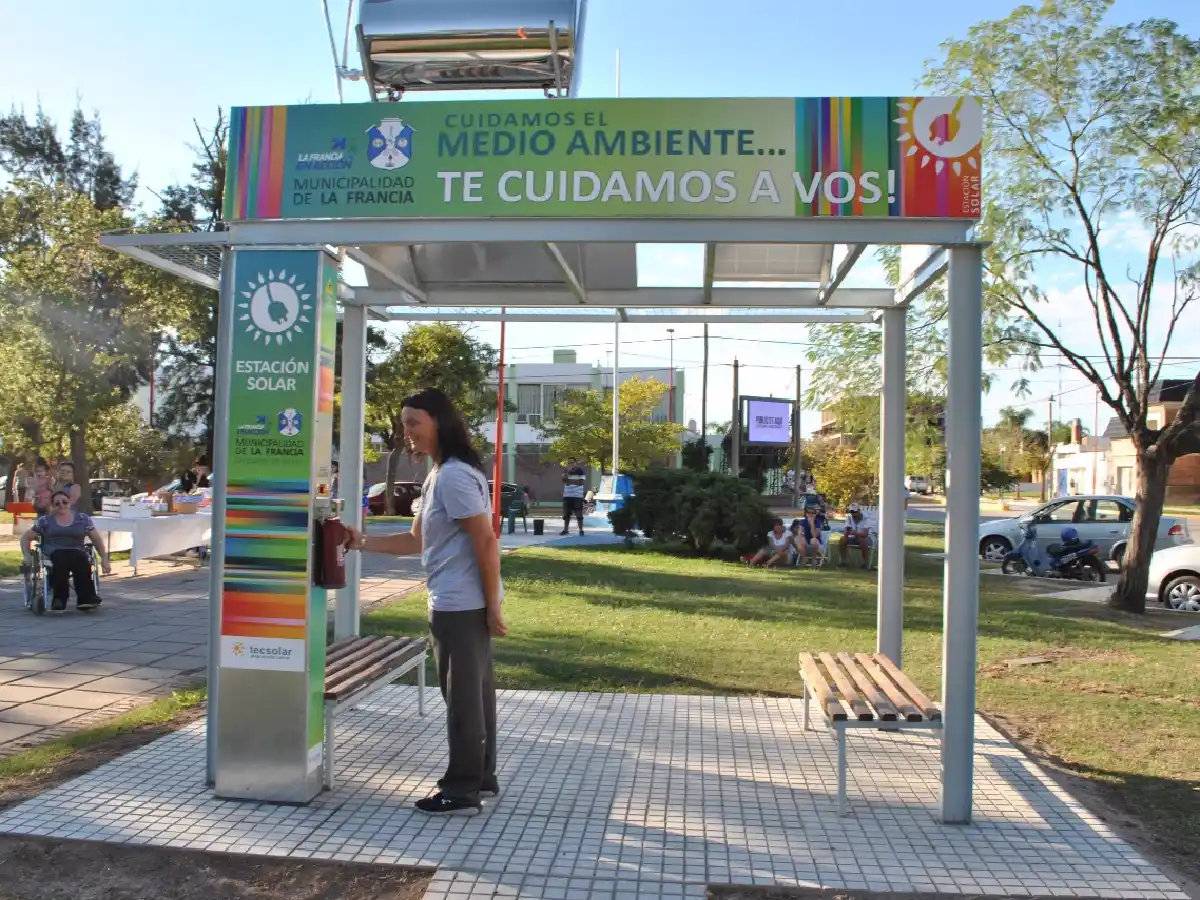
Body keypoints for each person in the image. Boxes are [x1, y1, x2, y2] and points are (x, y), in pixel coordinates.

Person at [343, 387, 505, 817]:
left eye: (414, 422)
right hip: (456, 602)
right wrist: (361, 542)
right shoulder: (440, 474)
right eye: (404, 424)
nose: (407, 432)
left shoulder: (452, 475)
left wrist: (491, 605)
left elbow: (486, 541)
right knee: (475, 697)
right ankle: (481, 778)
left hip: (461, 605)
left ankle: (461, 790)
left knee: (463, 702)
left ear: (439, 422)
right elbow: (416, 541)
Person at [21, 489, 111, 612]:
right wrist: (27, 555)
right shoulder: (45, 521)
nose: (61, 505)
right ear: (53, 506)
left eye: (64, 502)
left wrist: (104, 558)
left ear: (70, 502)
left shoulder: (82, 519)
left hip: (76, 549)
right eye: (57, 503)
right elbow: (26, 537)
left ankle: (87, 599)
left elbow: (96, 539)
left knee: (80, 559)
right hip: (54, 550)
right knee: (61, 559)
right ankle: (59, 599)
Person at [838, 503, 872, 569]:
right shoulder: (849, 517)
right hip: (853, 537)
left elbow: (865, 534)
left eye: (855, 511)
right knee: (842, 539)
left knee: (863, 540)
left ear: (859, 510)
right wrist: (846, 532)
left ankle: (865, 563)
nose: (853, 513)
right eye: (851, 511)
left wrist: (855, 533)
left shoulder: (866, 518)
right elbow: (846, 530)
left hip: (866, 539)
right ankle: (844, 561)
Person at [560, 457, 587, 536]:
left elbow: (581, 482)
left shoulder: (580, 471)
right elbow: (564, 480)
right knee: (566, 513)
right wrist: (567, 472)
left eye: (572, 462)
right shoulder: (566, 470)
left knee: (578, 513)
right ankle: (565, 529)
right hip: (567, 495)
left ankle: (581, 530)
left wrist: (570, 481)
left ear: (575, 463)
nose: (570, 464)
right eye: (569, 462)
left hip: (577, 495)